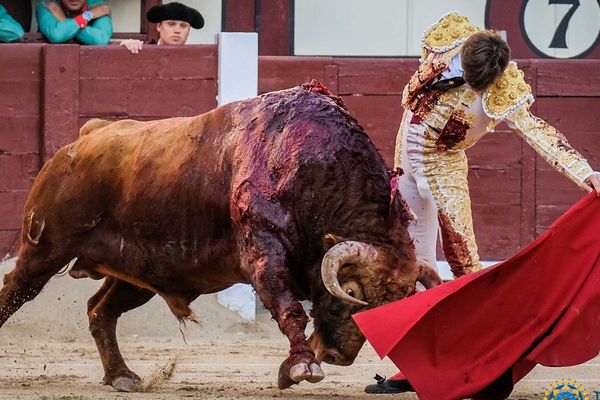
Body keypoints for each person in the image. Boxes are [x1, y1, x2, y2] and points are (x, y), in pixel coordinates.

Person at [365, 11, 600, 394]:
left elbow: (538, 133)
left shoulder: (503, 84)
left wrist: (584, 172)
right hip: (405, 165)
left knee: (466, 267)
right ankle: (416, 367)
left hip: (445, 168)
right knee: (411, 263)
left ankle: (490, 362)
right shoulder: (447, 36)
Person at [120, 2, 204, 54]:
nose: (177, 30)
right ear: (159, 26)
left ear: (189, 29)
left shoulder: (196, 55)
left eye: (183, 26)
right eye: (171, 24)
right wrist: (126, 46)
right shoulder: (143, 49)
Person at [36, 0, 112, 45]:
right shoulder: (48, 4)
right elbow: (56, 35)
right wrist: (87, 16)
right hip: (52, 62)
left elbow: (101, 39)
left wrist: (64, 20)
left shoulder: (98, 5)